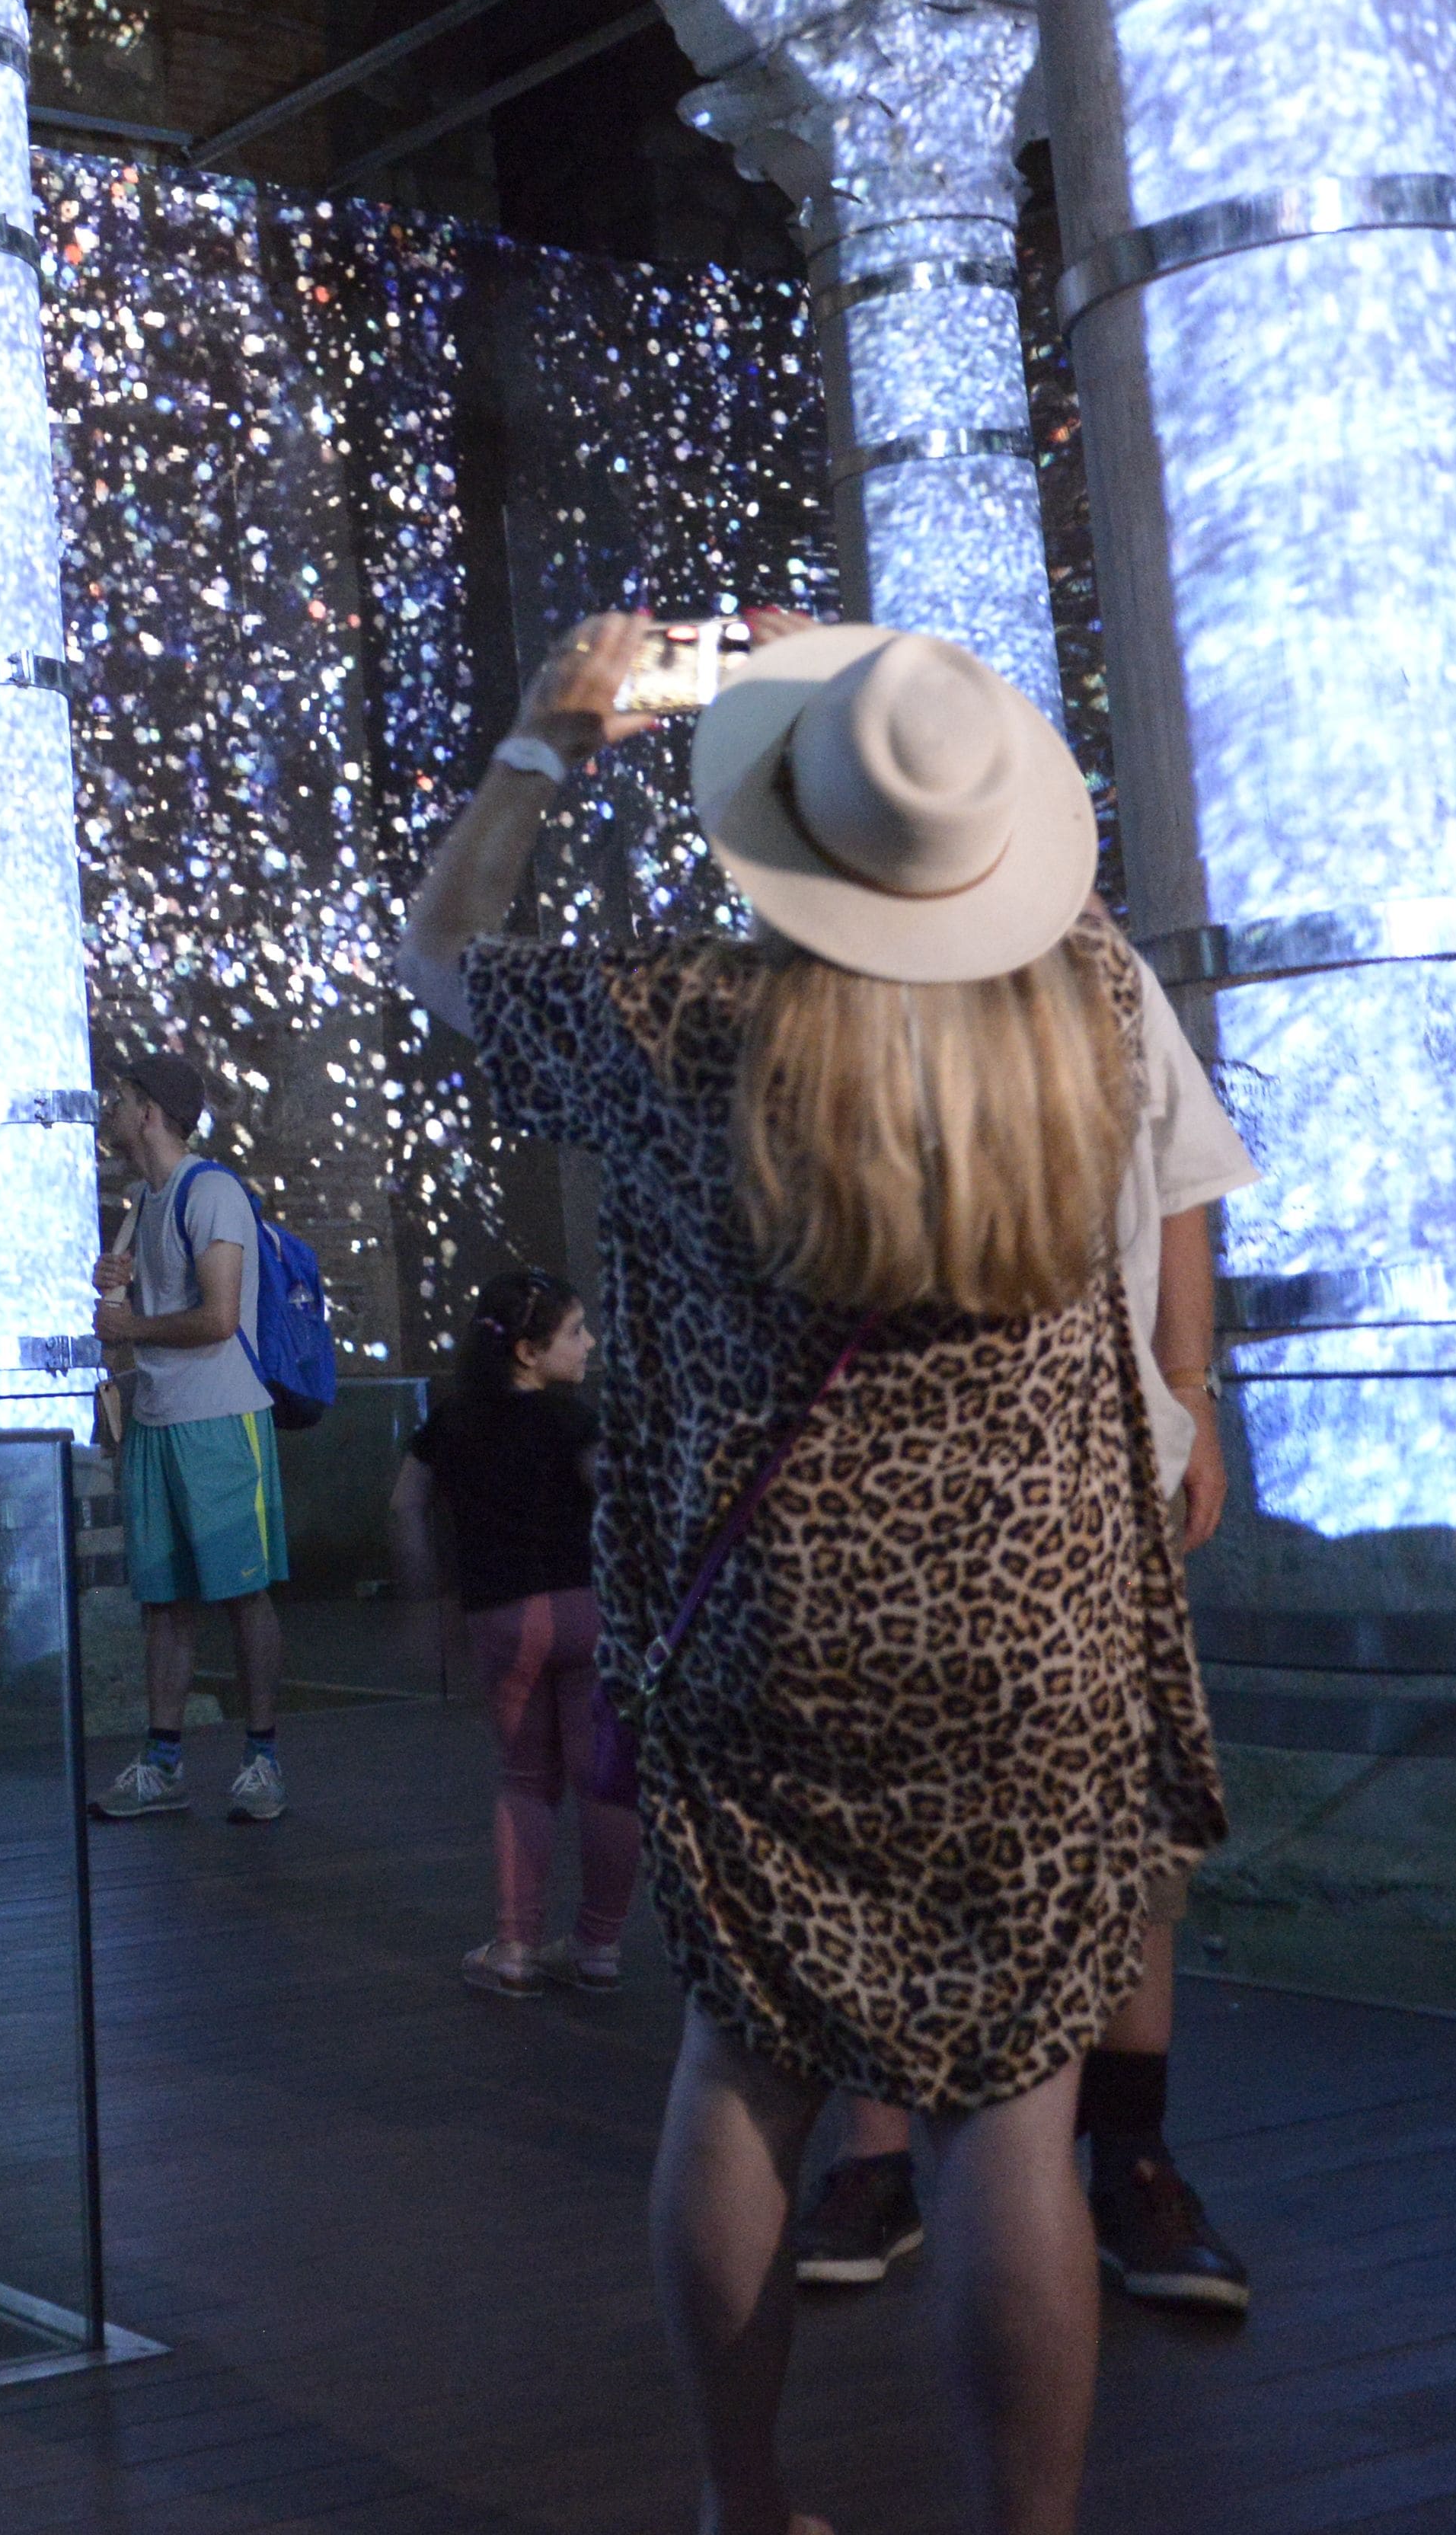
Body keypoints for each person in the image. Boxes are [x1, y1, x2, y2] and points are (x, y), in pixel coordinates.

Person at [398, 614, 1221, 2535]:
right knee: (1010, 2115)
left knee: (742, 2073)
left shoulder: (685, 1021)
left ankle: (742, 2498)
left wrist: (545, 734)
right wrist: (877, 694)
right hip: (1038, 1633)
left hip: (766, 1636)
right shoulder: (1086, 1004)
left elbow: (438, 958)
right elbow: (1062, 927)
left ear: (784, 822)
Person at [788, 926, 1258, 2310]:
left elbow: (1182, 1170)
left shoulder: (1095, 962)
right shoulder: (814, 974)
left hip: (1096, 1472)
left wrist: (1189, 1387)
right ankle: (879, 2153)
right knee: (878, 1818)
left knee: (1130, 1815)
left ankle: (1131, 2154)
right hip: (871, 1489)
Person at [394, 1267, 640, 1996]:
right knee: (604, 1783)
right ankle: (597, 1945)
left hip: (499, 1619)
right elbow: (620, 1500)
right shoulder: (573, 1419)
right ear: (529, 1353)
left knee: (526, 1781)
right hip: (588, 1613)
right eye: (575, 1332)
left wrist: (424, 1598)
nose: (590, 1343)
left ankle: (515, 1948)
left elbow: (404, 1506)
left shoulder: (452, 1420)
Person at [86, 1054, 291, 1825]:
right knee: (163, 1601)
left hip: (220, 1417)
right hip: (157, 1416)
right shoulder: (144, 1200)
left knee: (242, 1591)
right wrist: (119, 1296)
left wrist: (131, 1324)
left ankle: (262, 1758)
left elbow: (218, 1317)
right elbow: (151, 1317)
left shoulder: (211, 1192)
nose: (109, 1111)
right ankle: (163, 1761)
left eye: (119, 1099)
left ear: (148, 1111)